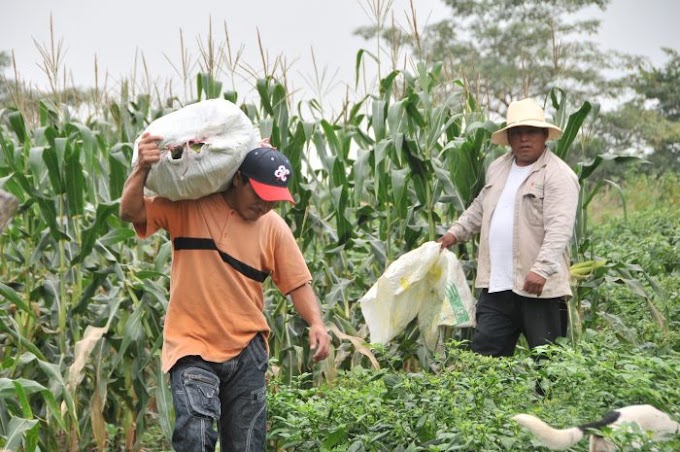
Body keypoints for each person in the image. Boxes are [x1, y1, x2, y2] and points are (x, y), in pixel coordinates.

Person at [120, 134, 330, 451]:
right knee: (195, 439)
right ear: (238, 179)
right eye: (260, 194)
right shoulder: (190, 208)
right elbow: (130, 212)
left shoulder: (273, 227)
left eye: (274, 199)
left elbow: (297, 282)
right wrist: (141, 170)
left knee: (246, 446)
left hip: (248, 351)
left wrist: (316, 323)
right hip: (192, 348)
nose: (266, 205)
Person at [438, 98, 579, 357]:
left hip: (539, 288)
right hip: (496, 285)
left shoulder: (558, 174)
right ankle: (492, 399)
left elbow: (560, 228)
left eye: (531, 132)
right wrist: (454, 233)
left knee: (547, 363)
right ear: (509, 138)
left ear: (545, 135)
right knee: (485, 357)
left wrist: (542, 269)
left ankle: (546, 400)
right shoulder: (498, 168)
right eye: (517, 133)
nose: (524, 139)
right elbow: (480, 207)